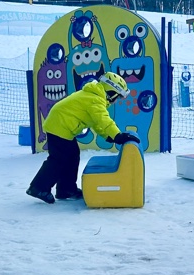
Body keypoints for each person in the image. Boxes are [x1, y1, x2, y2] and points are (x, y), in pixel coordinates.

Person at [26, 72, 140, 204]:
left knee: (72, 156)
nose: (115, 101)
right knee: (58, 159)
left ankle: (66, 189)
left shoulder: (94, 96)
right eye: (117, 97)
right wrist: (117, 135)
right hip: (60, 126)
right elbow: (103, 120)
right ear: (111, 92)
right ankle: (38, 187)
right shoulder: (95, 99)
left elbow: (96, 123)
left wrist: (108, 136)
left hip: (61, 126)